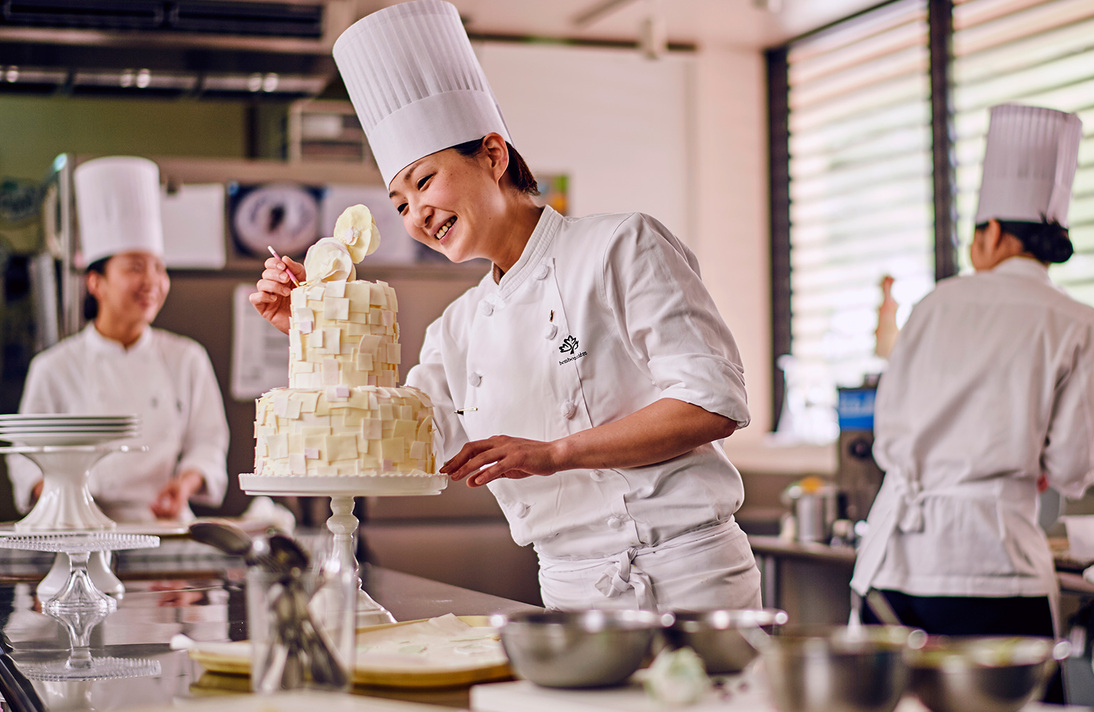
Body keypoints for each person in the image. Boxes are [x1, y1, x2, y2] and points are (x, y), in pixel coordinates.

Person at [251, 0, 760, 612]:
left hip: (683, 572)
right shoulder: (457, 329)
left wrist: (555, 454)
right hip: (569, 586)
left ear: (493, 155)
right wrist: (314, 323)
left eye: (425, 182)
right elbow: (411, 444)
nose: (417, 215)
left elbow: (712, 402)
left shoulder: (620, 246)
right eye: (400, 203)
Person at [850, 105, 1094, 699]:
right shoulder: (1082, 324)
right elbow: (1078, 466)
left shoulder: (932, 306)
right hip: (995, 566)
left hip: (895, 563)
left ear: (992, 232)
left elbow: (891, 432)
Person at [7, 156, 229, 523]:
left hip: (166, 529)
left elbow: (208, 441)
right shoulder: (55, 367)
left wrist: (184, 485)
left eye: (159, 268)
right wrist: (57, 498)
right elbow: (24, 453)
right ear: (96, 282)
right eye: (135, 267)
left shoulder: (186, 358)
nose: (153, 283)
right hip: (80, 530)